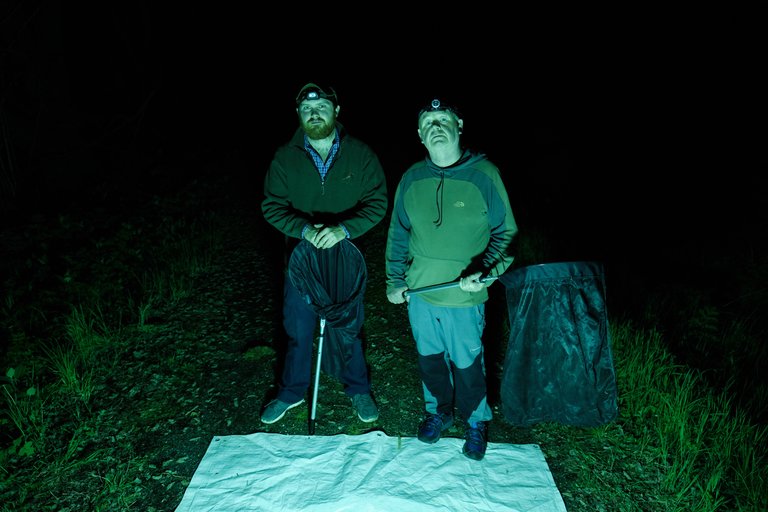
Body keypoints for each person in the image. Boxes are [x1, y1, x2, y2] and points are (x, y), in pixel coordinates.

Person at [385, 97, 518, 460]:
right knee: (429, 359)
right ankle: (438, 413)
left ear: (459, 126)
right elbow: (398, 233)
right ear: (419, 135)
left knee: (467, 364)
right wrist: (394, 281)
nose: (436, 126)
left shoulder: (485, 174)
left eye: (443, 119)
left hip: (464, 296)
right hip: (421, 293)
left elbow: (505, 232)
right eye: (428, 122)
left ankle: (475, 423)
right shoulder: (411, 178)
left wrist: (485, 270)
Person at [261, 82, 388, 425]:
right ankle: (290, 392)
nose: (314, 114)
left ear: (336, 111)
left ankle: (358, 388)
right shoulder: (285, 157)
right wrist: (304, 229)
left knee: (347, 326)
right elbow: (272, 207)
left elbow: (377, 204)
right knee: (299, 328)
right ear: (299, 115)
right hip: (301, 258)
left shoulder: (360, 154)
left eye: (321, 108)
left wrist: (343, 229)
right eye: (306, 109)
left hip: (345, 258)